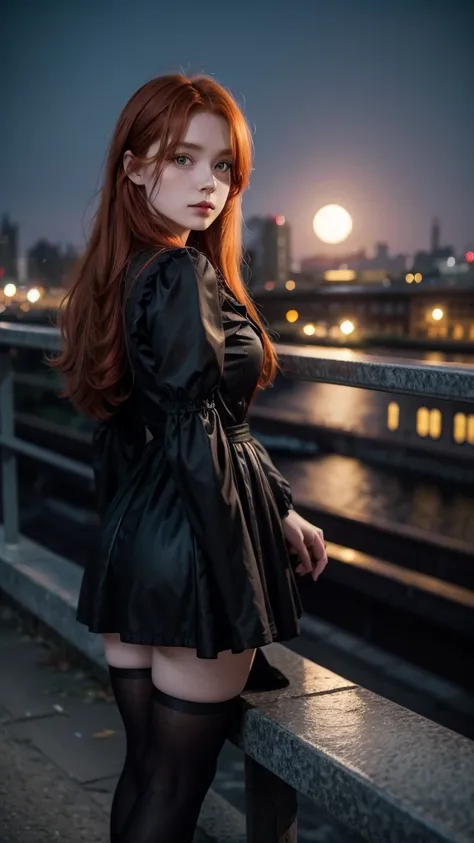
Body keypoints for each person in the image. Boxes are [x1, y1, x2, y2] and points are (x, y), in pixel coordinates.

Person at [49, 73, 328, 843]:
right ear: (135, 165)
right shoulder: (179, 273)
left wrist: (279, 504)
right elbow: (198, 436)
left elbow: (146, 430)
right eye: (185, 159)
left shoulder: (124, 270)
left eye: (224, 165)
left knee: (144, 774)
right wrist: (238, 593)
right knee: (174, 790)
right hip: (187, 562)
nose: (210, 183)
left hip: (135, 550)